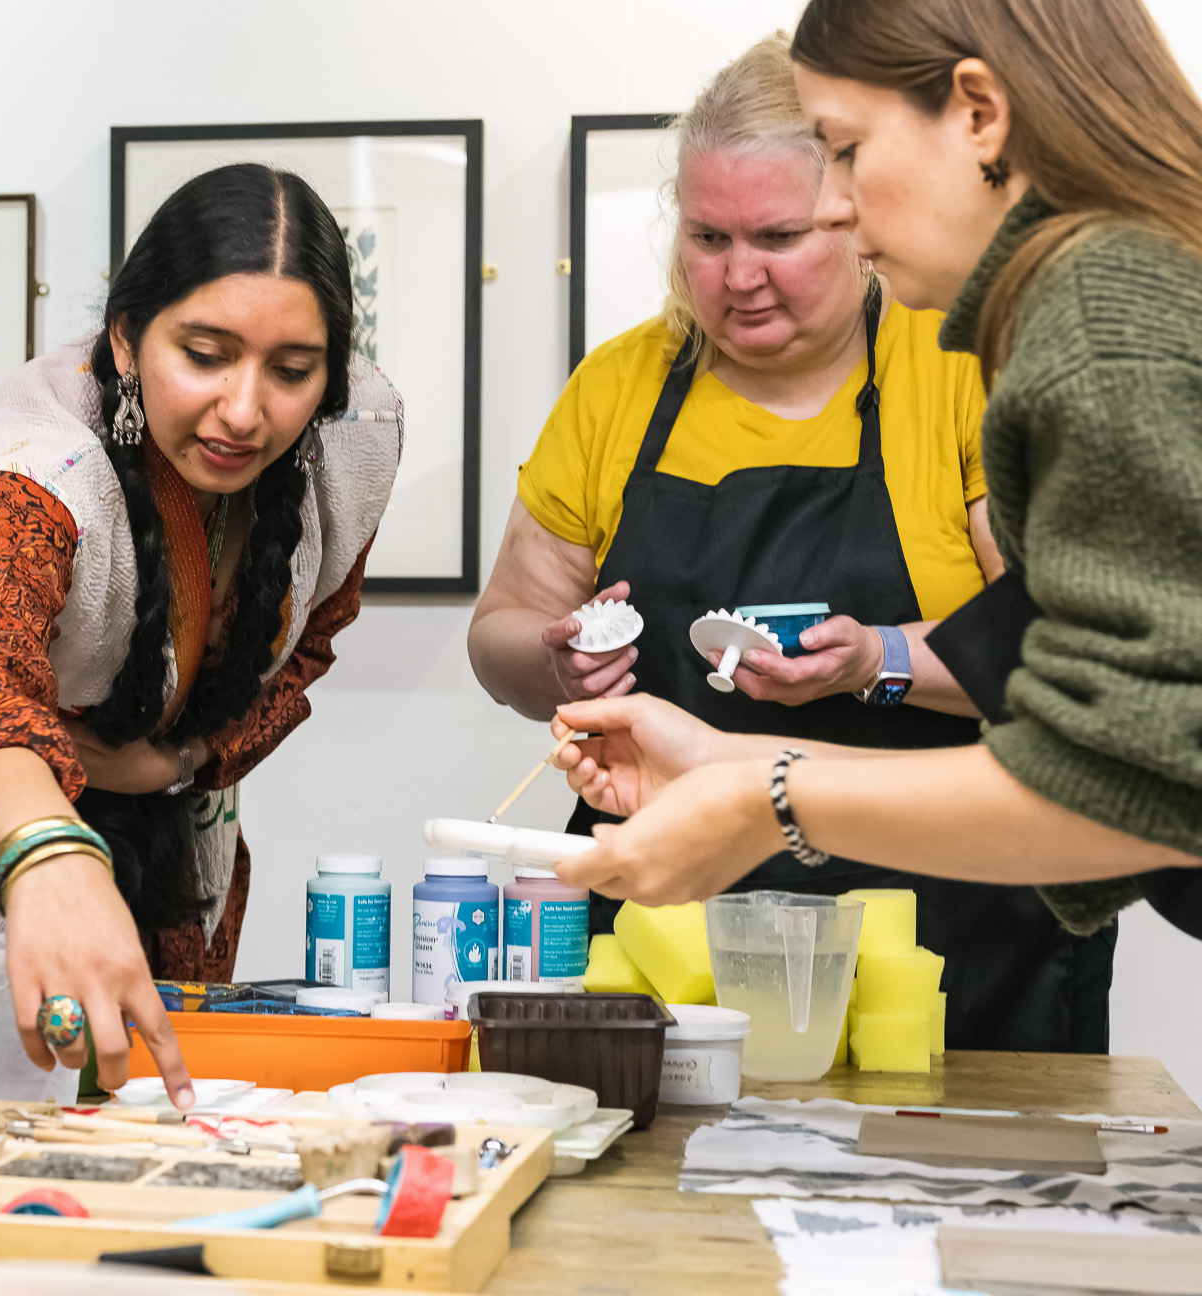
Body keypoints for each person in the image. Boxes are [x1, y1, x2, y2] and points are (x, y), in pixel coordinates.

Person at [468, 35, 1104, 1051]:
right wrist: (553, 658)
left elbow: (1058, 658)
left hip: (953, 928)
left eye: (775, 235)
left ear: (855, 216)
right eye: (707, 237)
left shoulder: (959, 366)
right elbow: (497, 634)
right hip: (670, 926)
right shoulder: (618, 388)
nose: (737, 277)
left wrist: (877, 660)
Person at [546, 0, 1202, 943]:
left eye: (845, 149)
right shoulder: (1119, 293)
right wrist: (726, 765)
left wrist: (755, 803)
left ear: (979, 114)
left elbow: (1118, 783)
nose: (839, 204)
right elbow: (1077, 754)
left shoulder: (1097, 320)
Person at [0, 163, 403, 1103]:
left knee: (154, 1123)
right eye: (204, 355)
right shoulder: (32, 469)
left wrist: (175, 762)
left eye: (292, 371)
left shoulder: (353, 437)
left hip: (174, 850)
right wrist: (49, 851)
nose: (246, 411)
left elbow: (306, 654)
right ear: (127, 338)